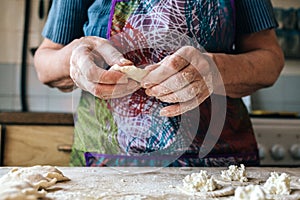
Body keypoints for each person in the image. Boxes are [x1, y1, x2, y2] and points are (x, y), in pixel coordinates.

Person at [34, 0, 284, 167]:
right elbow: (45, 61)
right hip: (106, 164)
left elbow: (270, 59)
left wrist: (214, 69)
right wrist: (74, 58)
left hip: (217, 164)